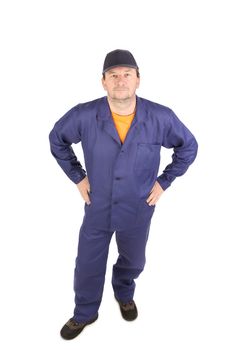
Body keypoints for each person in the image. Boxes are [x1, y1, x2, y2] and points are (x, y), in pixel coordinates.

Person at [49, 49, 198, 340]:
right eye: (113, 75)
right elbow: (57, 140)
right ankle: (85, 313)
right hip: (98, 205)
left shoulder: (160, 117)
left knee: (134, 260)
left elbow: (188, 147)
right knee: (88, 264)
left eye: (127, 74)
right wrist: (78, 177)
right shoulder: (84, 115)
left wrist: (164, 182)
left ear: (138, 79)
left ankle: (124, 291)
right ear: (103, 81)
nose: (120, 81)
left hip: (138, 207)